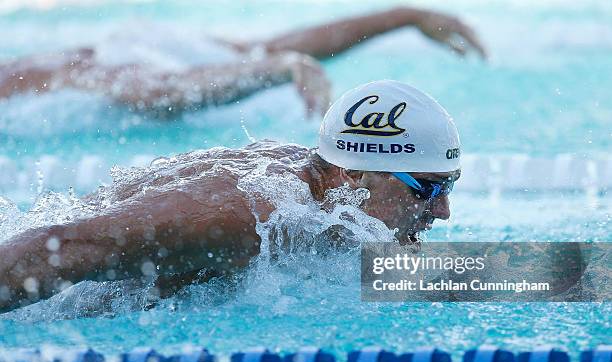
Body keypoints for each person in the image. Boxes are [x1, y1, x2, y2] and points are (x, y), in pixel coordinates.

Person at [1, 80, 461, 312]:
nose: (443, 211)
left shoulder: (327, 202)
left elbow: (446, 276)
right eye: (429, 189)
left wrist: (529, 275)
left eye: (449, 186)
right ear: (352, 176)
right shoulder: (243, 216)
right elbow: (63, 245)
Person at [0, 7, 485, 117]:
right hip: (140, 48)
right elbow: (262, 49)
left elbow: (163, 90)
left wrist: (274, 69)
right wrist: (402, 16)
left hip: (130, 58)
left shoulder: (47, 73)